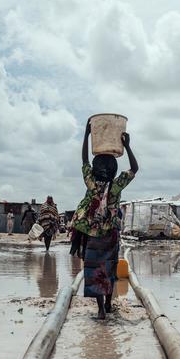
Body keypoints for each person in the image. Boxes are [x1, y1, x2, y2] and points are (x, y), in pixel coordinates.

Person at [73, 122, 138, 320]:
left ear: (95, 168)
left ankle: (101, 309)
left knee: (94, 270)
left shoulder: (90, 182)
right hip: (110, 235)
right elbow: (135, 168)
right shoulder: (116, 186)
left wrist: (86, 135)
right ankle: (109, 305)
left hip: (93, 236)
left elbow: (84, 159)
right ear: (114, 170)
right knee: (109, 268)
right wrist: (126, 146)